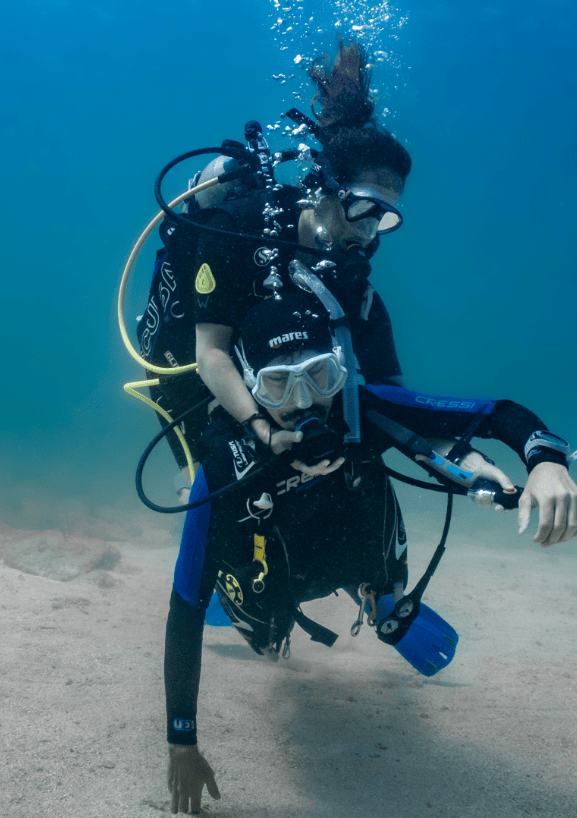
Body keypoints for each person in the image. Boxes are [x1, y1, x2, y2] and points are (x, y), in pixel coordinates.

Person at [164, 288, 577, 814]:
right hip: (272, 576)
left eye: (319, 375)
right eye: (277, 385)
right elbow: (184, 608)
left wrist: (546, 462)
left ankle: (379, 595)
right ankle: (256, 622)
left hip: (350, 549)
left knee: (368, 492)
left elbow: (495, 412)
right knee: (265, 642)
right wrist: (181, 740)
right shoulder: (223, 468)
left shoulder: (359, 410)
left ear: (340, 369)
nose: (302, 402)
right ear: (248, 387)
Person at [137, 39, 416, 498]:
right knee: (215, 488)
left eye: (384, 218)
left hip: (268, 382)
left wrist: (460, 452)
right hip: (185, 361)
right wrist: (262, 433)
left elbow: (393, 394)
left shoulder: (345, 273)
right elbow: (210, 353)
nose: (369, 233)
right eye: (364, 208)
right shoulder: (237, 228)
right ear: (323, 187)